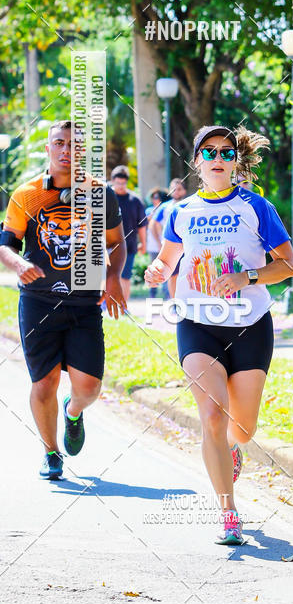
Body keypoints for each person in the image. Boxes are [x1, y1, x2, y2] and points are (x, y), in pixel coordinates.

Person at [144, 125, 293, 546]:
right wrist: (158, 270)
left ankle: (233, 448)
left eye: (226, 152)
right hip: (197, 323)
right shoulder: (181, 211)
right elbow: (168, 259)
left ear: (235, 161)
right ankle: (228, 511)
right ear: (196, 161)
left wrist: (246, 275)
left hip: (250, 324)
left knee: (241, 429)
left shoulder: (256, 207)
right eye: (208, 151)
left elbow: (288, 265)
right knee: (212, 415)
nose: (217, 157)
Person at [0, 121, 127, 480]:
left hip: (85, 303)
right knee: (44, 382)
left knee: (89, 387)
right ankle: (51, 453)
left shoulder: (101, 194)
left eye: (74, 145)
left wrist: (114, 278)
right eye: (59, 143)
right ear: (48, 149)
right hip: (38, 302)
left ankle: (73, 413)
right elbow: (6, 244)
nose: (66, 150)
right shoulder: (26, 195)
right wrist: (19, 263)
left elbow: (117, 242)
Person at [109, 165, 148, 301]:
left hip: (128, 246)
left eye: (123, 183)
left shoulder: (135, 201)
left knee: (125, 277)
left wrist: (144, 244)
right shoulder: (106, 198)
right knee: (107, 276)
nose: (120, 186)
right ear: (112, 181)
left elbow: (142, 225)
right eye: (118, 183)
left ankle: (123, 306)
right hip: (106, 245)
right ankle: (105, 305)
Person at [150, 177, 187, 298]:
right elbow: (153, 225)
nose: (176, 192)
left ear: (184, 191)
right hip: (173, 246)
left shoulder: (190, 205)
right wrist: (160, 242)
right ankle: (175, 303)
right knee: (173, 275)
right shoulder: (165, 207)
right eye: (173, 189)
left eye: (179, 189)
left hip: (187, 247)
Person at [145, 187, 169, 299]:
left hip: (166, 246)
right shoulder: (150, 210)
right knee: (153, 271)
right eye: (153, 198)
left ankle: (167, 295)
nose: (154, 200)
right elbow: (148, 223)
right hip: (153, 246)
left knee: (165, 271)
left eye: (157, 197)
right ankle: (152, 295)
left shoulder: (167, 208)